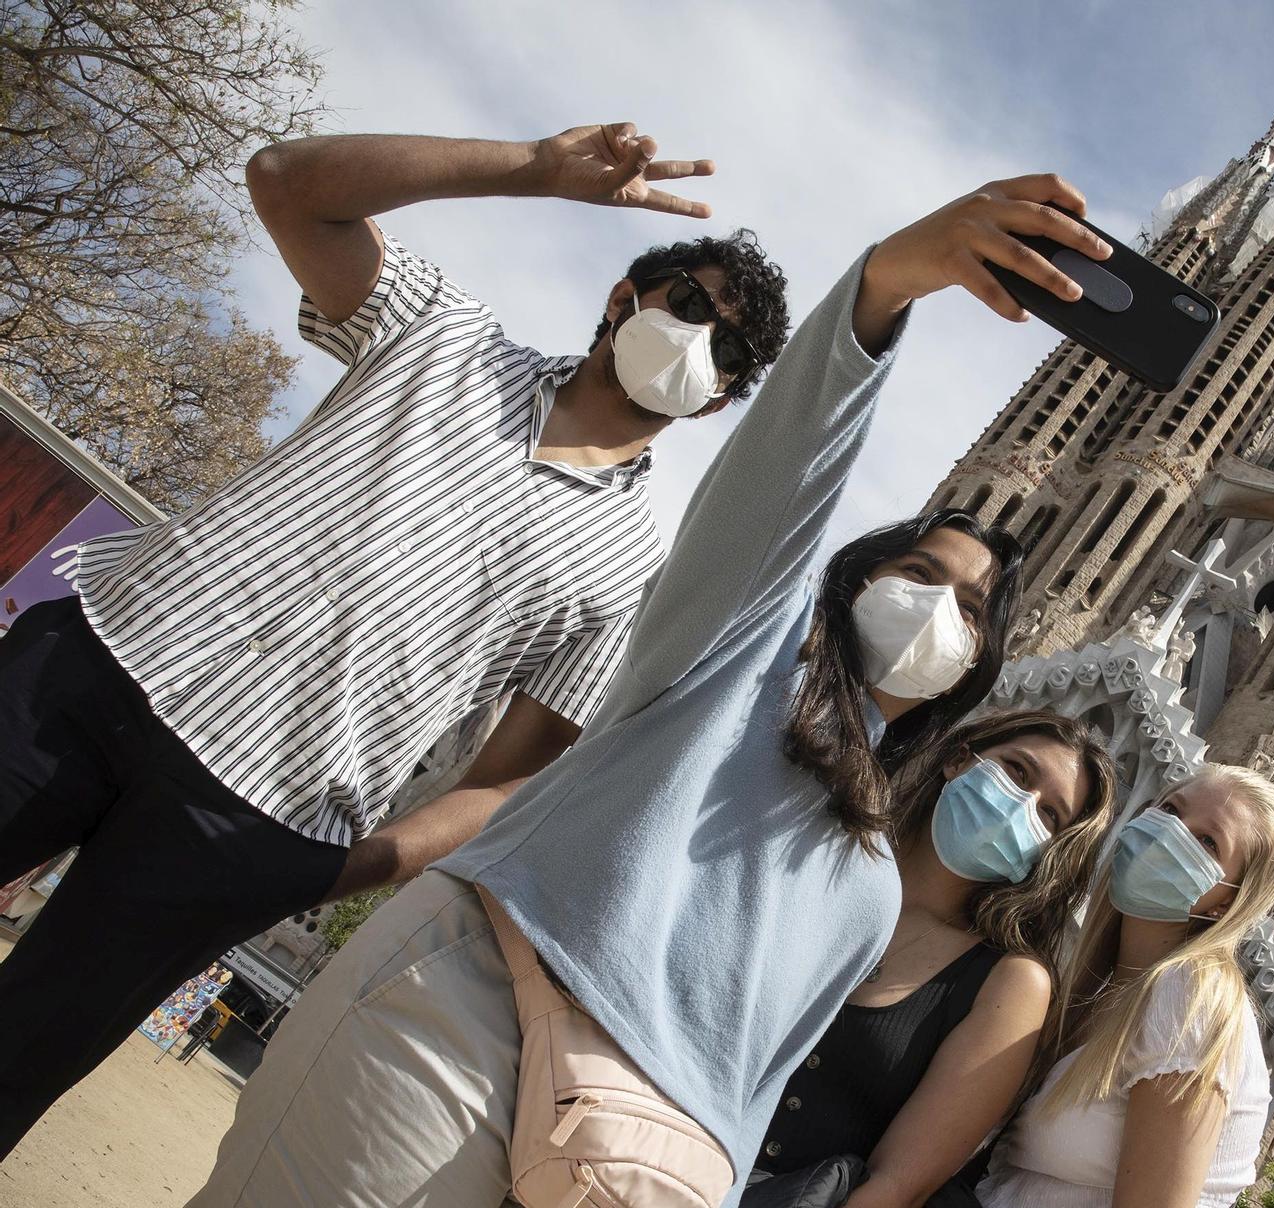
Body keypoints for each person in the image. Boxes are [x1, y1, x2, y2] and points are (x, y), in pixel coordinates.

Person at [192, 171, 1115, 1208]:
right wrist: (884, 289)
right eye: (918, 574)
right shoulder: (731, 652)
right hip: (454, 1039)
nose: (939, 609)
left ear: (976, 670)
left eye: (972, 611)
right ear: (852, 578)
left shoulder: (867, 884)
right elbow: (782, 472)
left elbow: (744, 1093)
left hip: (610, 1162)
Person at [0, 120, 793, 1153]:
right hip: (101, 665)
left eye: (724, 348)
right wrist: (532, 172)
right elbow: (287, 182)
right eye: (688, 304)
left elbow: (511, 775)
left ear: (722, 397)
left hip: (254, 822)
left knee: (20, 1057)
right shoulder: (447, 336)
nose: (695, 340)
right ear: (624, 298)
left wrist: (344, 867)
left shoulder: (633, 569)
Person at [749, 709, 1118, 1207]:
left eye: (1050, 814)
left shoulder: (1008, 983)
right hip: (642, 1146)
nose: (1020, 805)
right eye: (1017, 771)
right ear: (959, 759)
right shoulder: (821, 851)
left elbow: (898, 1185)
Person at [977, 765, 1274, 1208]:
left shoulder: (1191, 994)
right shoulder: (1110, 983)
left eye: (1208, 842)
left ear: (1227, 901)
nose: (1171, 833)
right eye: (1170, 809)